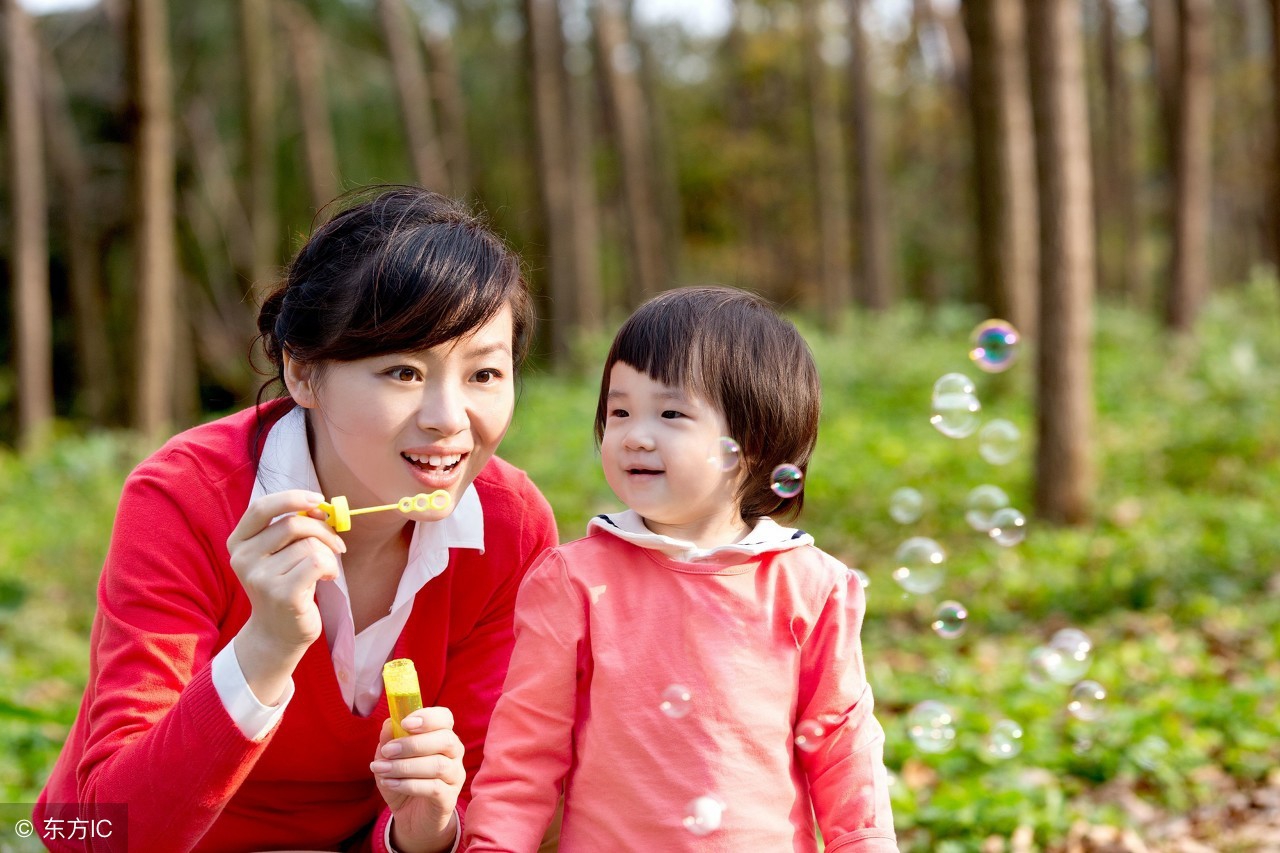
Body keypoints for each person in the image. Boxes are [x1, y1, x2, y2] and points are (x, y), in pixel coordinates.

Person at [35, 186, 558, 853]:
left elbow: (489, 790)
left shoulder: (510, 527)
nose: (448, 419)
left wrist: (425, 827)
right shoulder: (184, 500)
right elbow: (118, 829)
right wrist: (266, 645)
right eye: (402, 370)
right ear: (303, 373)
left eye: (484, 374)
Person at [461, 286, 897, 851]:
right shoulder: (574, 581)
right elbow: (525, 749)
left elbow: (842, 748)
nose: (635, 435)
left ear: (753, 442)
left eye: (671, 412)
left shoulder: (812, 587)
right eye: (619, 411)